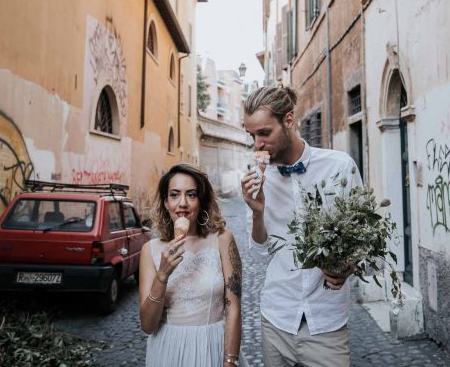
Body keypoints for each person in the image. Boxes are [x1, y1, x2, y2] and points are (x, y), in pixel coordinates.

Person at [241, 86, 362, 367]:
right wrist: (257, 212)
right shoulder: (259, 182)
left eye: (264, 133)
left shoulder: (339, 167)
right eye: (251, 135)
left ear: (289, 121)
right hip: (276, 321)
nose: (257, 144)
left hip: (327, 325)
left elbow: (364, 237)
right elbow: (259, 256)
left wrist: (348, 265)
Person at [139, 164, 244, 367]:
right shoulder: (149, 250)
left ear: (201, 202)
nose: (183, 203)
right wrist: (162, 275)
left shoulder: (223, 240)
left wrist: (230, 361)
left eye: (191, 195)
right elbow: (147, 325)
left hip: (212, 346)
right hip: (168, 350)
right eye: (175, 195)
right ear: (166, 202)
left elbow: (234, 308)